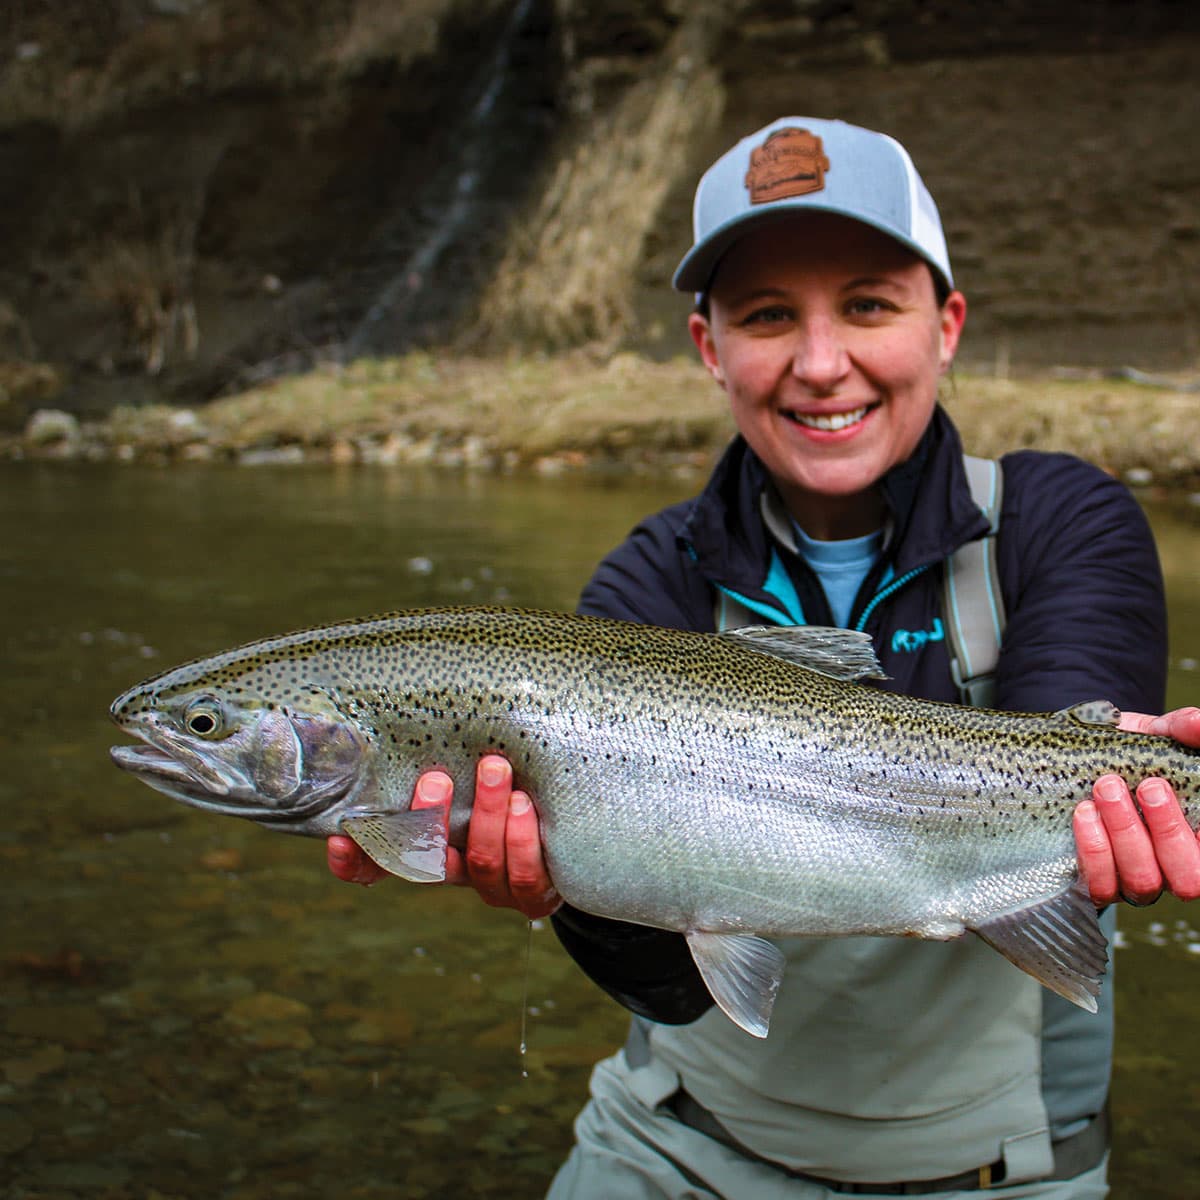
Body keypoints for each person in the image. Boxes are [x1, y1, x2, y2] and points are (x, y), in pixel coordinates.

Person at [326, 117, 1200, 1197]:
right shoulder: (650, 582)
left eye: (869, 306)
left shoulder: (1064, 522)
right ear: (708, 345)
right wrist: (567, 893)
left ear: (948, 325)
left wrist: (1147, 804)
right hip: (673, 1149)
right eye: (768, 315)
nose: (821, 364)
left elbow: (1087, 832)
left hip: (999, 1170)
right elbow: (667, 989)